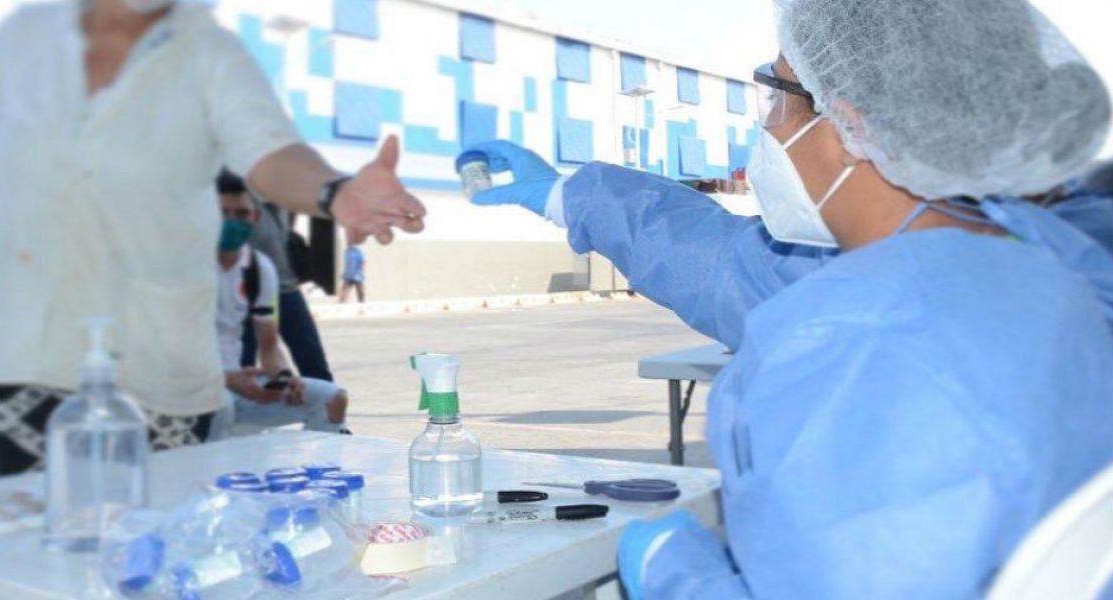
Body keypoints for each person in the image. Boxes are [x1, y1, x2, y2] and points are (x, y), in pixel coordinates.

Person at [461, 0, 1113, 596]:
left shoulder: (853, 345)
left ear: (850, 121)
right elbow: (733, 266)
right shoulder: (1045, 270)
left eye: (774, 94)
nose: (766, 124)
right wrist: (564, 195)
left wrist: (672, 568)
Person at [0, 0, 424, 476]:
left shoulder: (210, 54)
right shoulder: (26, 37)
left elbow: (272, 154)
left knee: (156, 555)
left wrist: (335, 193)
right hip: (26, 359)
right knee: (25, 552)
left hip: (155, 374)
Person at [212, 183, 349, 438]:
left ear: (254, 217)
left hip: (237, 386)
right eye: (223, 213)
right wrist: (225, 377)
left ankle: (322, 473)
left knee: (330, 398)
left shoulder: (259, 269)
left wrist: (284, 377)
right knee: (221, 406)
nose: (232, 222)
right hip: (194, 390)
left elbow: (270, 346)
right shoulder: (185, 269)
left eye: (241, 214)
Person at [221, 170, 336, 382]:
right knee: (241, 364)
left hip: (285, 286)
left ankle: (325, 409)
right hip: (247, 286)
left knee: (314, 364)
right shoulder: (237, 191)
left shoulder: (280, 190)